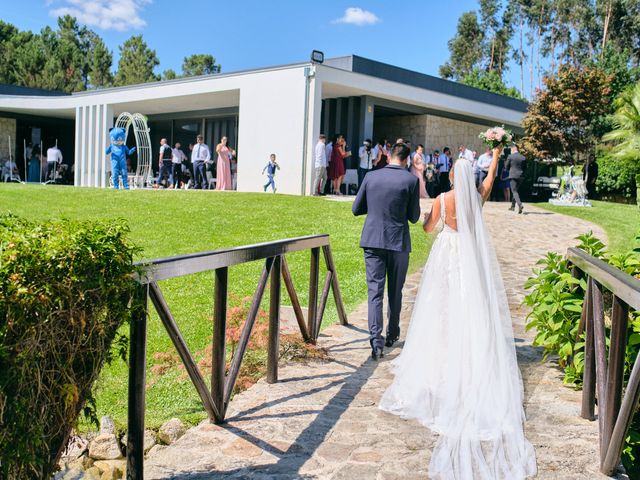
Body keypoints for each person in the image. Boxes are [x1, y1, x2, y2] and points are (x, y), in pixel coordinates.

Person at [379, 147, 537, 479]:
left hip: (447, 255)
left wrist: (425, 218)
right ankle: (469, 349)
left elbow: (427, 229)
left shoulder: (443, 200)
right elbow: (491, 178)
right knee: (470, 304)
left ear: (452, 176)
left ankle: (443, 356)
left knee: (440, 309)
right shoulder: (477, 198)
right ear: (471, 178)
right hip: (469, 256)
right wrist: (495, 153)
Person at [352, 143, 421, 361]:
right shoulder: (411, 181)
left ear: (389, 156)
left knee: (375, 291)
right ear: (407, 159)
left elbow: (356, 208)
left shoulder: (371, 176)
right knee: (395, 290)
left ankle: (375, 340)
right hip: (398, 241)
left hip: (373, 239)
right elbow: (414, 217)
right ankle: (392, 333)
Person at [505, 144, 526, 214]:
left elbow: (506, 166)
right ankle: (512, 206)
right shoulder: (523, 157)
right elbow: (525, 168)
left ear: (513, 149)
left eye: (511, 150)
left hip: (513, 175)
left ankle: (520, 204)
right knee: (515, 191)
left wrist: (509, 169)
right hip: (521, 176)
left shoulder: (510, 156)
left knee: (514, 191)